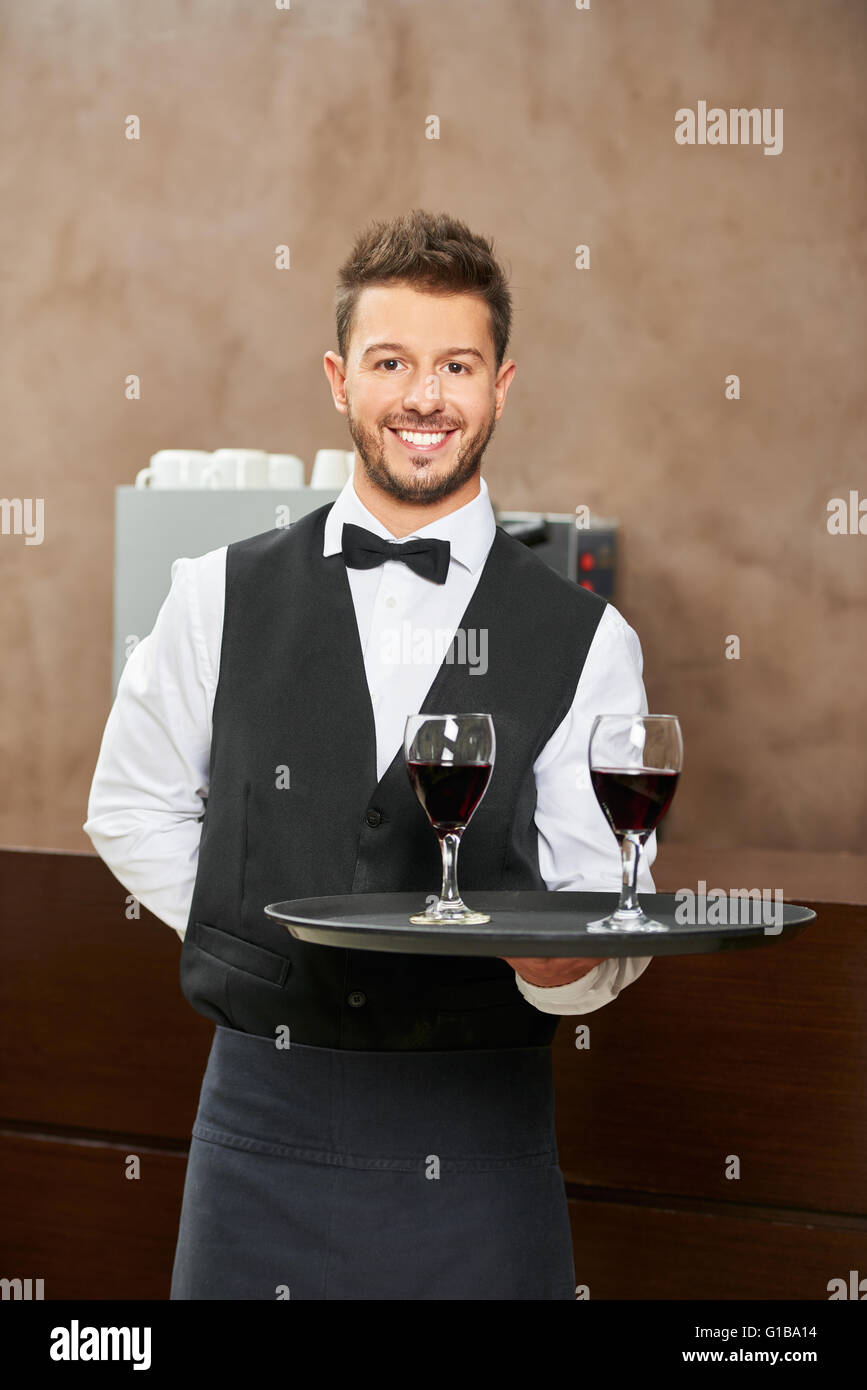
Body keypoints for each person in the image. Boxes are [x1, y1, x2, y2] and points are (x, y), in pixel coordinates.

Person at [83, 208, 656, 1301]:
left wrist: (565, 973)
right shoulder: (217, 592)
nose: (425, 397)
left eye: (458, 364)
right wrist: (260, 944)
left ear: (502, 385)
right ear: (341, 380)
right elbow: (131, 806)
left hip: (478, 1134)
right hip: (261, 1124)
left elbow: (601, 898)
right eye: (392, 361)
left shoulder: (588, 641)